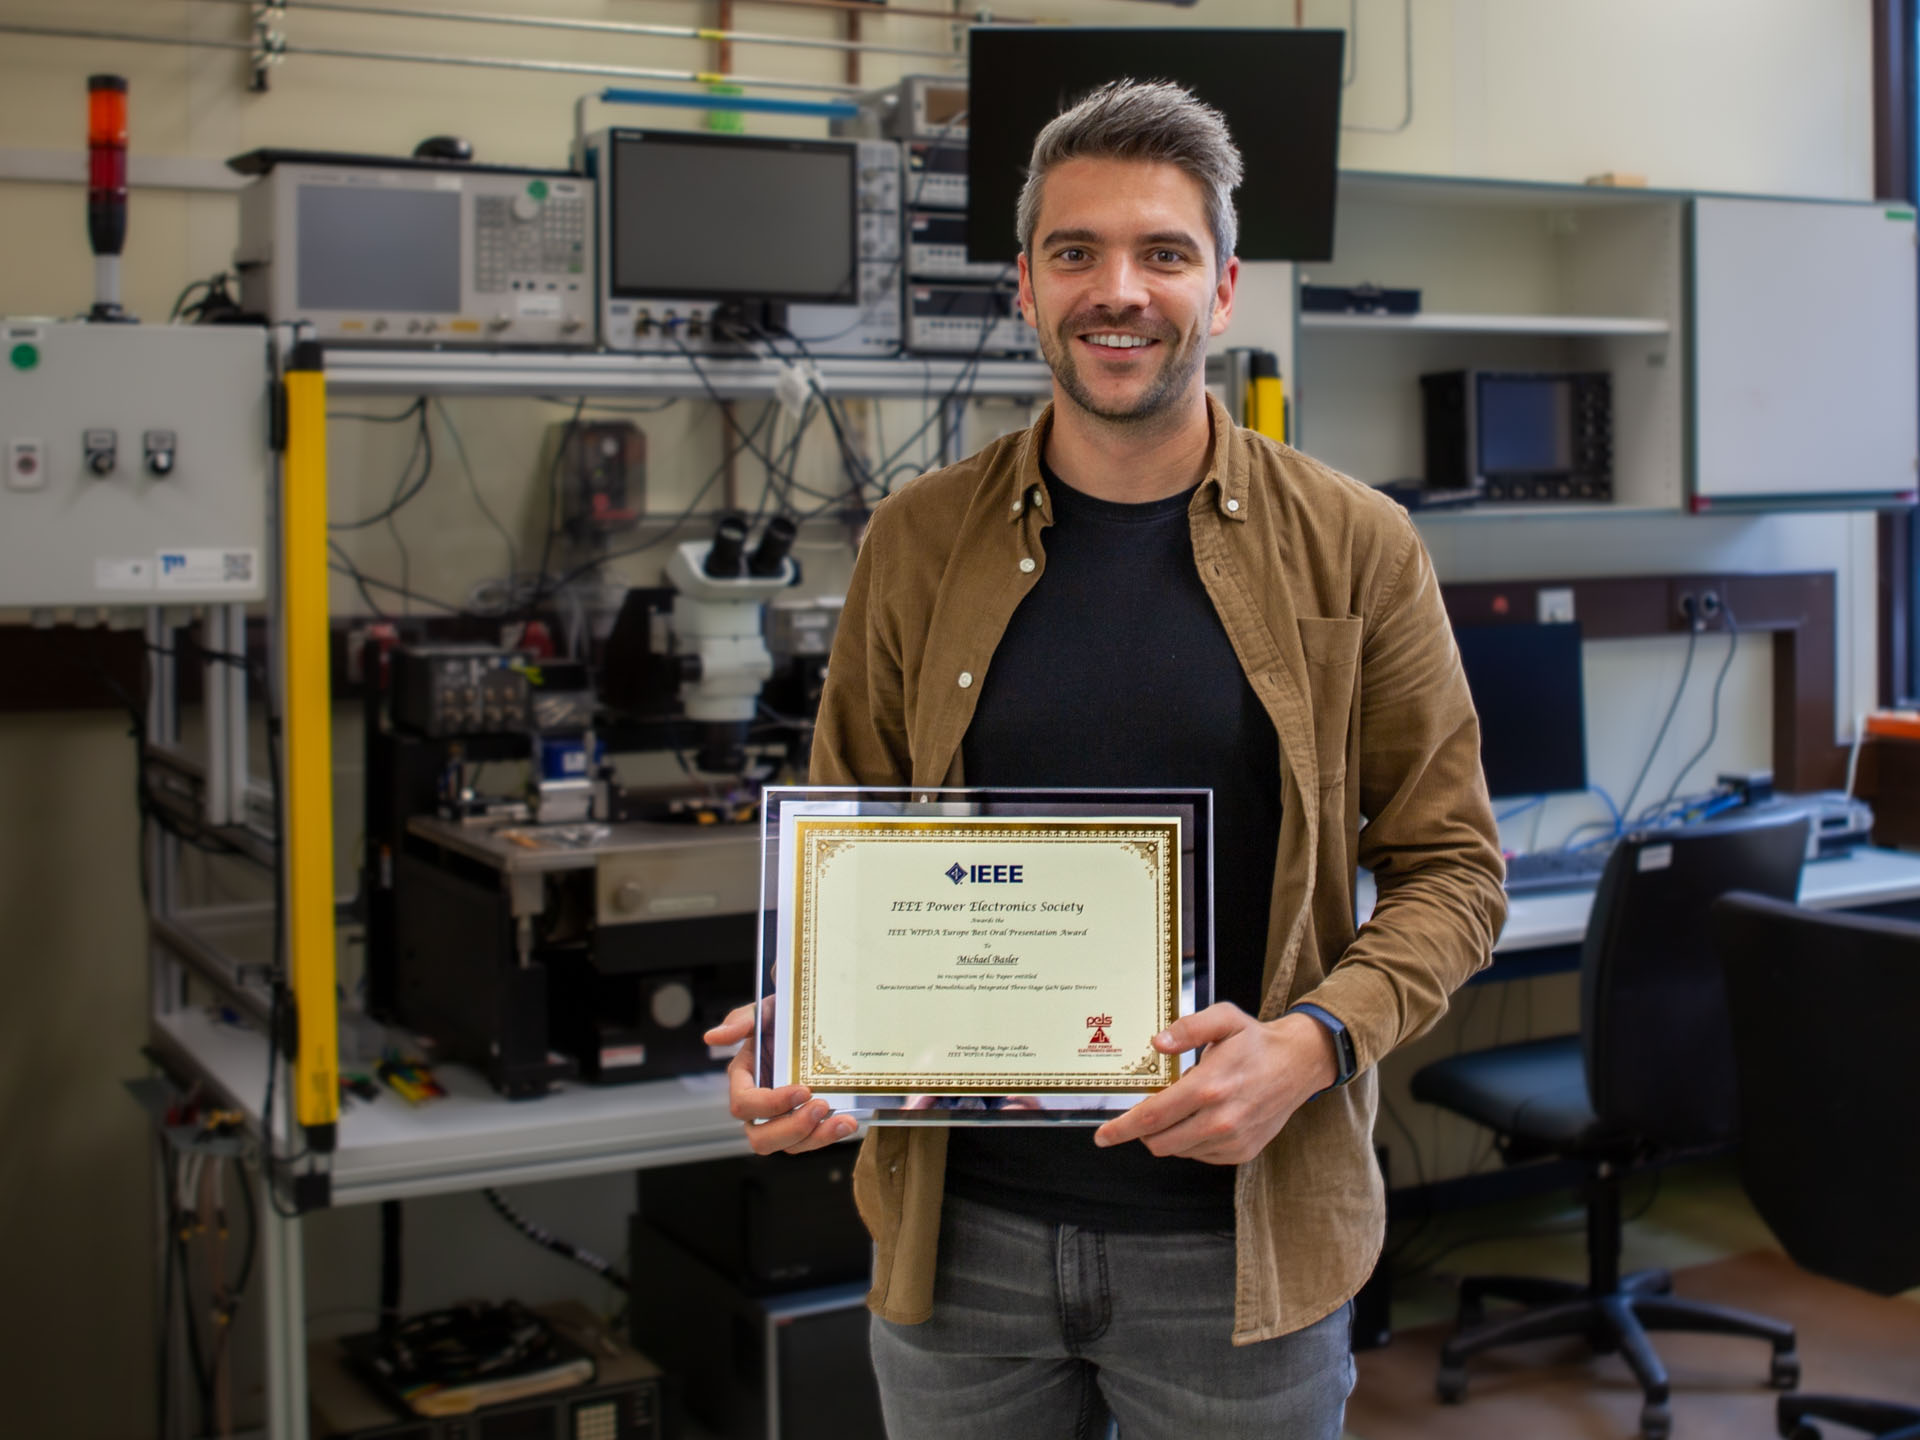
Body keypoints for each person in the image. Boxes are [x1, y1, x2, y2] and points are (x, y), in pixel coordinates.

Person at [705, 78, 1507, 1439]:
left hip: (1240, 1261)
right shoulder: (921, 536)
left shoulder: (1354, 545)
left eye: (1163, 253)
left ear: (1225, 287)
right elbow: (845, 829)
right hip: (960, 1256)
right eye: (1076, 253)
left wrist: (1312, 1046)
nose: (1116, 290)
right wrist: (810, 1030)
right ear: (1026, 286)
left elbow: (1454, 870)